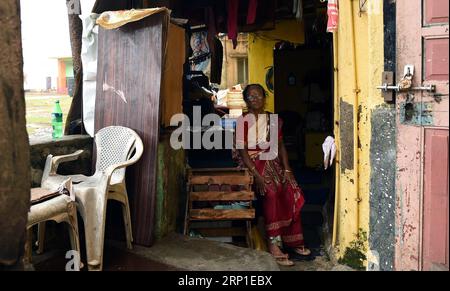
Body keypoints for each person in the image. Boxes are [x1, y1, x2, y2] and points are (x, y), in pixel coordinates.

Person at [234, 84, 311, 266]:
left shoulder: (273, 119)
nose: (255, 99)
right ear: (246, 101)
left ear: (264, 97)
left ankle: (293, 241)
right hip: (252, 165)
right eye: (251, 97)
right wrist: (257, 176)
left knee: (291, 190)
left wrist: (287, 169)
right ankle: (274, 244)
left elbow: (281, 146)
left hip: (273, 163)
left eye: (258, 95)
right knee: (272, 193)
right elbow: (243, 151)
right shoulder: (242, 121)